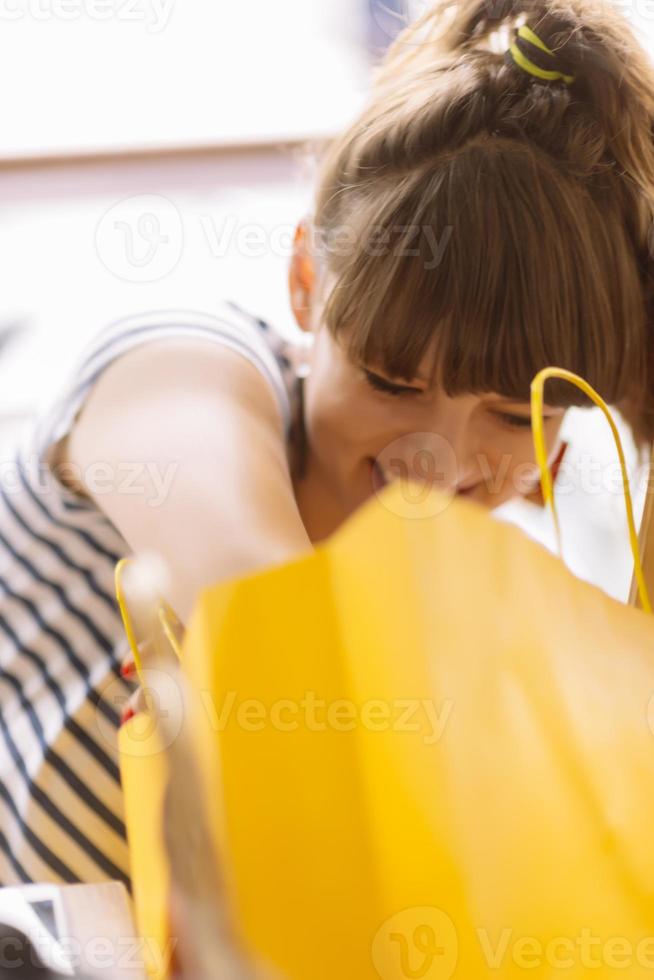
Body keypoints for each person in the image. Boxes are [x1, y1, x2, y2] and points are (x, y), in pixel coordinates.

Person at [1, 0, 653, 903]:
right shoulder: (180, 364)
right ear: (306, 282)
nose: (438, 460)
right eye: (390, 381)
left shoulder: (473, 589)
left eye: (513, 415)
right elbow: (276, 616)